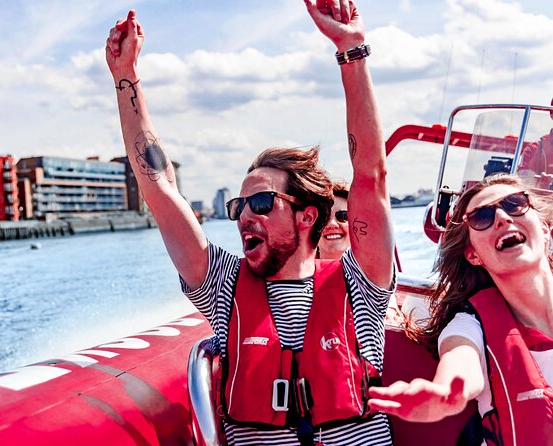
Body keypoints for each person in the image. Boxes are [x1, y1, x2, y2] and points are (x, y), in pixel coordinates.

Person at [105, 1, 395, 444]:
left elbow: (370, 174)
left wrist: (351, 49)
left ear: (307, 215)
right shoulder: (223, 286)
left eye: (261, 202)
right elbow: (160, 190)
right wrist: (125, 76)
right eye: (238, 206)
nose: (245, 216)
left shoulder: (361, 284)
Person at [368, 174, 553, 445]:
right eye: (481, 217)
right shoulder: (470, 325)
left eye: (514, 204)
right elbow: (460, 361)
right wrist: (445, 392)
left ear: (545, 227)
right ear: (473, 255)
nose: (502, 217)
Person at [318, 182, 402, 326]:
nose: (331, 224)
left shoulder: (375, 273)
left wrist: (390, 307)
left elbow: (383, 294)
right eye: (323, 217)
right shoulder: (297, 276)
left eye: (343, 216)